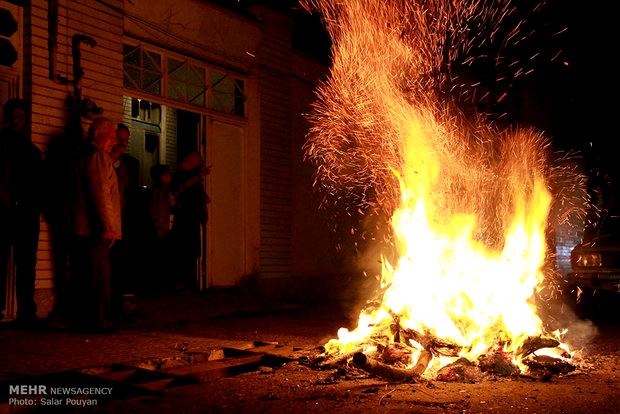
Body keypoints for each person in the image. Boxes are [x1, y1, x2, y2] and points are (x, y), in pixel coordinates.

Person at [70, 117, 121, 331]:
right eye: (111, 137)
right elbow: (101, 193)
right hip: (96, 229)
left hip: (85, 228)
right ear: (98, 135)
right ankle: (100, 321)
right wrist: (109, 226)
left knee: (89, 275)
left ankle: (91, 319)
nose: (114, 141)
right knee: (99, 277)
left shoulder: (84, 154)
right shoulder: (97, 156)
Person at [0, 99, 44, 326]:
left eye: (20, 116)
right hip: (5, 212)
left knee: (27, 265)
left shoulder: (31, 151)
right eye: (13, 116)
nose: (16, 121)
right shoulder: (2, 144)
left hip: (27, 213)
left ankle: (27, 312)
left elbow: (39, 183)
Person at [171, 152, 209, 291]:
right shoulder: (179, 175)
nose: (199, 163)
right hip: (184, 216)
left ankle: (190, 281)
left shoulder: (193, 176)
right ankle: (180, 282)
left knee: (192, 250)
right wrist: (197, 177)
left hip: (193, 217)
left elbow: (197, 192)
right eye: (198, 160)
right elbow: (178, 190)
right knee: (183, 249)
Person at [147, 164, 174, 290]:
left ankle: (162, 284)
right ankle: (159, 285)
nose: (170, 176)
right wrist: (158, 227)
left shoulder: (166, 191)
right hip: (160, 228)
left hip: (165, 227)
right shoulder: (157, 192)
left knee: (164, 256)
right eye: (167, 174)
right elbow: (155, 211)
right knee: (160, 257)